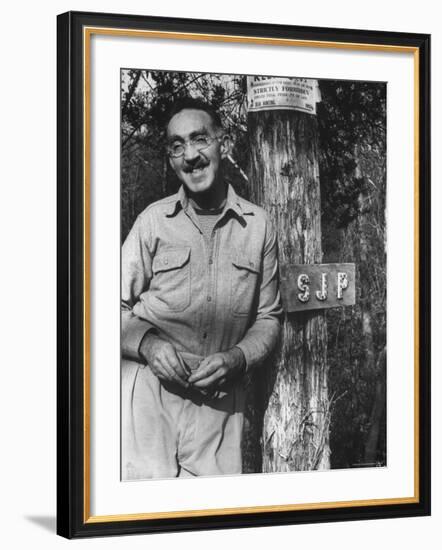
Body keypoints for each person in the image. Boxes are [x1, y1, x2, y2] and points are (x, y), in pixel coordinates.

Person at [121, 97, 282, 480]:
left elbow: (269, 318)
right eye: (177, 146)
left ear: (221, 143)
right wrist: (147, 344)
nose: (190, 155)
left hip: (220, 409)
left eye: (199, 139)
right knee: (139, 524)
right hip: (148, 400)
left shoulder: (258, 226)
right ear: (170, 158)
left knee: (210, 524)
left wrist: (237, 359)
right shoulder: (152, 222)